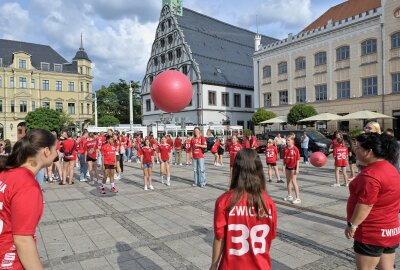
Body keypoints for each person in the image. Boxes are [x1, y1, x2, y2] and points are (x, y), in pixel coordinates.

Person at [210, 148, 277, 270]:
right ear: (259, 170)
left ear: (236, 170)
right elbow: (269, 239)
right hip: (261, 265)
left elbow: (220, 238)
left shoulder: (224, 201)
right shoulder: (268, 203)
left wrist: (214, 265)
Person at [0, 129, 57, 269]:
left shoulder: (7, 173)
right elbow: (23, 240)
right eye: (56, 149)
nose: (57, 154)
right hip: (10, 261)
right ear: (46, 151)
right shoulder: (27, 186)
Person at [345, 133, 400, 269]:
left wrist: (353, 225)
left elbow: (366, 204)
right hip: (390, 230)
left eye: (358, 148)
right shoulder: (390, 168)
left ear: (368, 151)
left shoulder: (371, 175)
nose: (354, 150)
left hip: (371, 232)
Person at [282, 135, 301, 204]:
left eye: (288, 140)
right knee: (288, 181)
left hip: (294, 166)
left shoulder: (295, 149)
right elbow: (284, 158)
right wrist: (283, 166)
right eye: (286, 140)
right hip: (287, 166)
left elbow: (298, 159)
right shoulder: (285, 149)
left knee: (294, 181)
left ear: (292, 141)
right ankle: (290, 196)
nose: (287, 142)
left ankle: (298, 198)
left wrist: (297, 168)